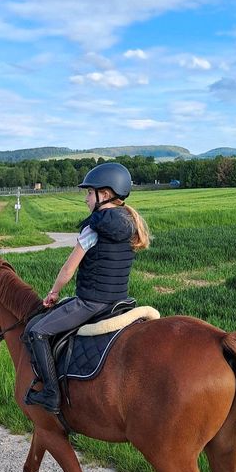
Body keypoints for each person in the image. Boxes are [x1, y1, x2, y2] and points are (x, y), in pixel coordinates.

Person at [24, 161, 150, 413]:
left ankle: (50, 394)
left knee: (37, 332)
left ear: (104, 195)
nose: (85, 199)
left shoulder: (95, 226)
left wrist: (54, 293)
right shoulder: (130, 222)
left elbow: (68, 269)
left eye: (89, 193)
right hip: (118, 301)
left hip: (91, 302)